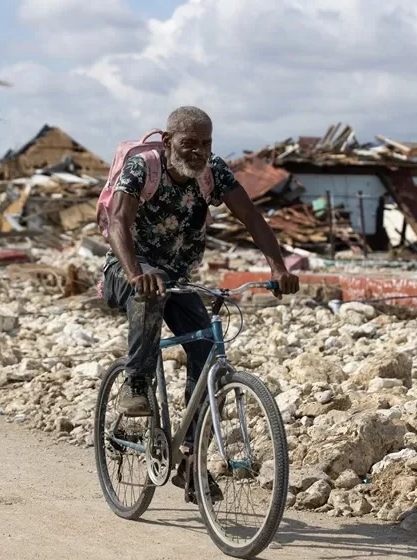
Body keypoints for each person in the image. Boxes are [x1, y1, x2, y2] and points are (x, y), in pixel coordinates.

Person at [101, 106, 300, 498]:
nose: (198, 152)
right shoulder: (144, 167)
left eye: (205, 144)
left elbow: (252, 217)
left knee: (206, 348)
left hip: (176, 278)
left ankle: (192, 459)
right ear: (168, 141)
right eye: (189, 143)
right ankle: (136, 382)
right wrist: (134, 272)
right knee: (150, 292)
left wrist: (278, 268)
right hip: (125, 268)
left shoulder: (213, 173)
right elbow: (118, 221)